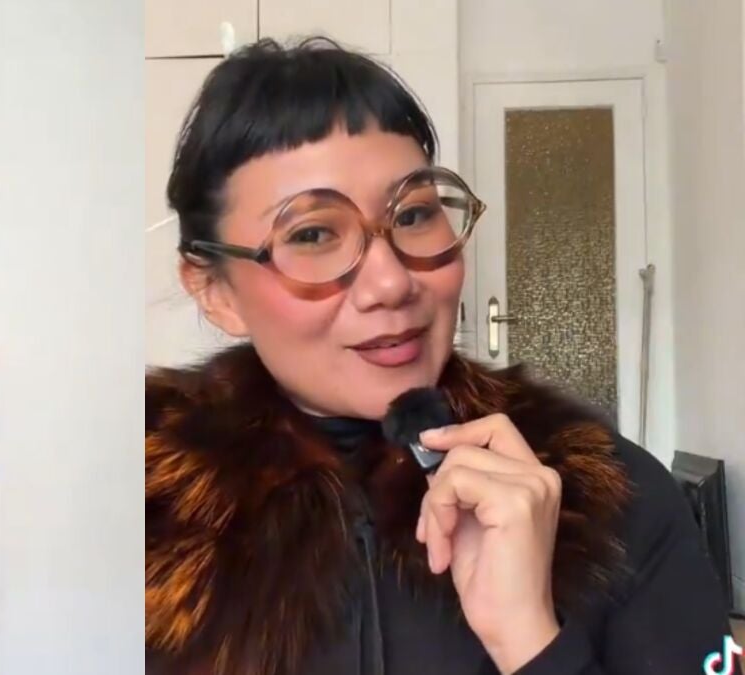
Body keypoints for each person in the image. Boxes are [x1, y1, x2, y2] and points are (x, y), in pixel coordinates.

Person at [144, 37, 735, 674]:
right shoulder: (137, 515)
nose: (392, 282)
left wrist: (530, 638)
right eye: (312, 234)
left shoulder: (613, 495)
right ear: (215, 290)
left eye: (414, 214)